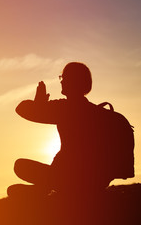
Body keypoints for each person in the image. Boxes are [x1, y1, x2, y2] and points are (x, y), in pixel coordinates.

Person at [8, 62, 113, 199]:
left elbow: (21, 109)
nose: (61, 82)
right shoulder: (95, 111)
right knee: (16, 188)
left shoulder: (65, 108)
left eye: (63, 78)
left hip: (72, 178)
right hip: (97, 181)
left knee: (20, 166)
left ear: (72, 81)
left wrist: (38, 104)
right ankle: (46, 188)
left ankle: (53, 188)